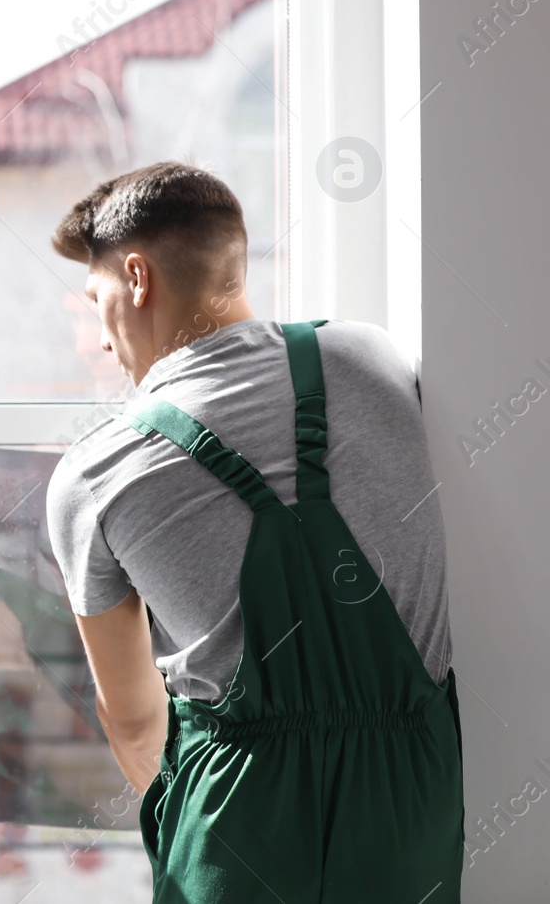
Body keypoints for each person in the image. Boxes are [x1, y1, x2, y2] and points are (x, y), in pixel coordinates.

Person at [43, 162, 464, 901]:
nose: (100, 340)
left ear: (136, 278)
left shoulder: (95, 474)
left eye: (95, 297)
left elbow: (137, 723)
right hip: (410, 811)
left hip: (238, 837)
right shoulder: (376, 356)